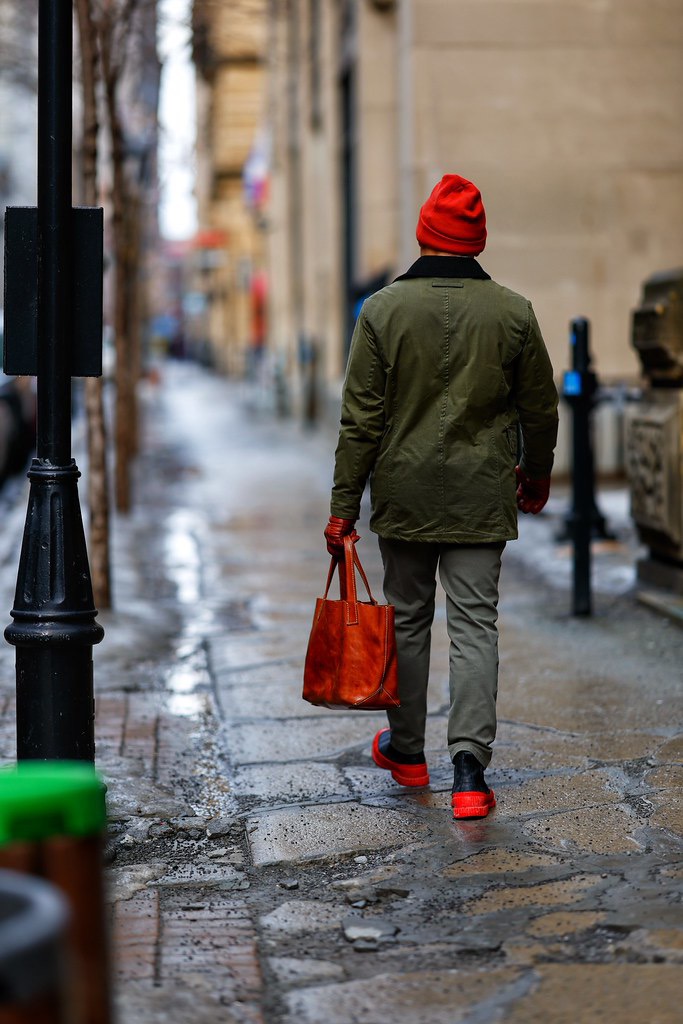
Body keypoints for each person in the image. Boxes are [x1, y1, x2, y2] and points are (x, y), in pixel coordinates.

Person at [324, 174, 559, 819]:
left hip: (405, 493)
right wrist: (534, 475)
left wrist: (344, 507)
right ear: (477, 241)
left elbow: (361, 421)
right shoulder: (513, 311)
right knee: (475, 627)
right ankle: (470, 773)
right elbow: (541, 408)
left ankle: (406, 752)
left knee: (406, 621)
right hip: (484, 496)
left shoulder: (381, 311)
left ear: (425, 232)